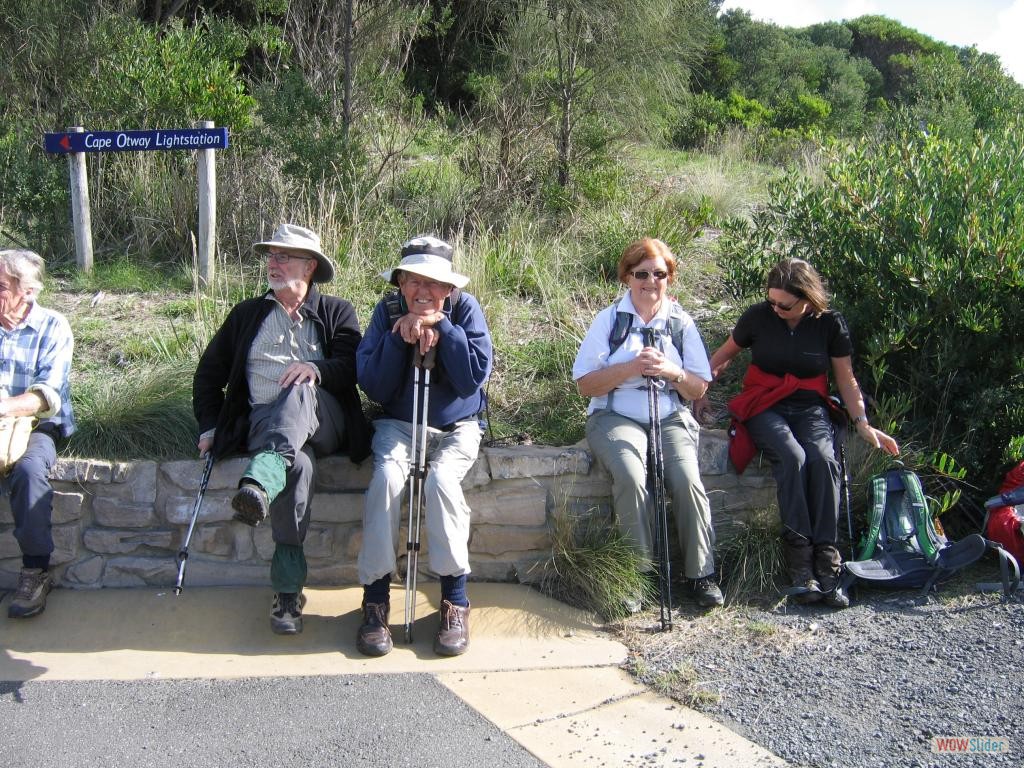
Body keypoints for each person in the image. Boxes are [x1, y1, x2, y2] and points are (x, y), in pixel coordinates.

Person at [193, 223, 370, 635]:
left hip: (324, 419)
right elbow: (208, 375)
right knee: (301, 469)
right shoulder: (246, 315)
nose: (272, 263)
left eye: (283, 256)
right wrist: (209, 425)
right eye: (271, 255)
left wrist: (316, 368)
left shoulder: (336, 311)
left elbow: (354, 367)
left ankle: (262, 476)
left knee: (299, 389)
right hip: (264, 422)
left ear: (309, 267)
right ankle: (288, 591)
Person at [707, 258, 899, 608]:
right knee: (792, 455)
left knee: (823, 459)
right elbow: (721, 358)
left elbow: (846, 378)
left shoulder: (829, 324)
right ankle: (799, 562)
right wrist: (698, 393)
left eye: (785, 304)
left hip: (810, 406)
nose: (776, 308)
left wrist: (862, 423)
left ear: (808, 298)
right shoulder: (758, 317)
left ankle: (828, 560)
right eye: (772, 301)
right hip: (764, 405)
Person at [355, 235, 492, 657]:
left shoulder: (465, 311)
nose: (423, 290)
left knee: (442, 482)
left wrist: (444, 329)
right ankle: (375, 602)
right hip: (397, 426)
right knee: (386, 481)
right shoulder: (387, 312)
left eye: (434, 282)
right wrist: (398, 339)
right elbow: (373, 385)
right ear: (400, 283)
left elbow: (473, 378)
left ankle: (455, 600)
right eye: (413, 280)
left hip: (457, 428)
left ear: (450, 289)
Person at [572, 237, 724, 610]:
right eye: (642, 273)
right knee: (630, 474)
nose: (650, 282)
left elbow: (698, 386)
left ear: (669, 278)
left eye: (660, 274)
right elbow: (584, 384)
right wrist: (630, 367)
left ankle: (700, 575)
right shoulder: (608, 321)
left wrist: (672, 371)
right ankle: (636, 578)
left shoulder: (681, 323)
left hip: (669, 415)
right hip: (614, 415)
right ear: (627, 277)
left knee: (687, 479)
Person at [0, 250, 74, 619]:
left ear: (27, 291)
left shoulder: (53, 326)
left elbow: (46, 394)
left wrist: (4, 408)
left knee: (29, 473)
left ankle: (35, 571)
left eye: (0, 286)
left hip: (37, 423)